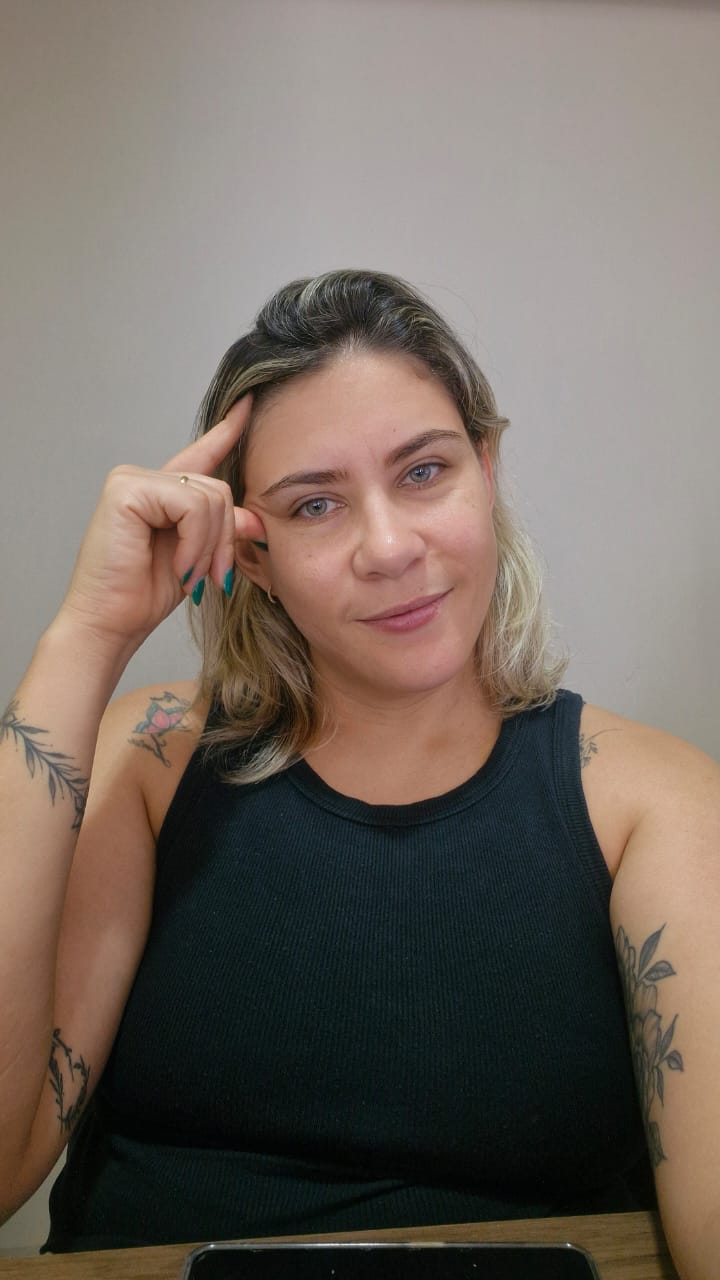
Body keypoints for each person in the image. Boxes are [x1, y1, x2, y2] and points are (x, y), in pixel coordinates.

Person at [0, 271, 718, 1278]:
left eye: (423, 471)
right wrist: (88, 633)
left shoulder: (655, 804)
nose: (387, 547)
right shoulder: (150, 763)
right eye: (315, 504)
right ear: (253, 556)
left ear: (487, 468)